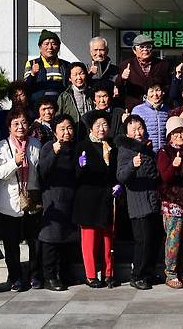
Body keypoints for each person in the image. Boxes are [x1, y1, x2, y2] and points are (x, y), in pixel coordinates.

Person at [0, 108, 42, 291]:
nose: (20, 127)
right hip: (9, 203)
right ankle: (15, 278)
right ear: (9, 127)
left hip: (31, 200)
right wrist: (15, 162)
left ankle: (35, 275)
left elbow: (40, 172)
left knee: (35, 241)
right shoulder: (2, 146)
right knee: (11, 244)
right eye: (16, 123)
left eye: (23, 123)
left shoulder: (36, 144)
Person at [73, 110, 119, 289]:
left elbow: (115, 172)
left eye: (105, 125)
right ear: (91, 128)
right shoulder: (82, 146)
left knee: (108, 238)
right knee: (89, 239)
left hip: (107, 197)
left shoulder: (112, 146)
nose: (101, 129)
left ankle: (109, 273)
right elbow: (76, 175)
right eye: (98, 125)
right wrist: (80, 166)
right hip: (87, 199)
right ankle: (91, 275)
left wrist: (117, 185)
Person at [115, 115, 162, 290]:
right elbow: (121, 176)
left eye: (140, 127)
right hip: (138, 202)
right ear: (127, 132)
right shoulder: (125, 149)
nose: (137, 132)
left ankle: (148, 273)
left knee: (154, 238)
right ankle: (137, 275)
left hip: (152, 200)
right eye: (133, 129)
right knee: (143, 240)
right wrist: (132, 166)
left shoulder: (148, 148)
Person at [37, 114, 79, 291]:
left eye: (69, 128)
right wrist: (53, 153)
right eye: (62, 129)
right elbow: (42, 172)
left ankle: (64, 273)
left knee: (67, 239)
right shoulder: (48, 147)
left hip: (71, 198)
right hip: (53, 198)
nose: (66, 132)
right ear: (55, 132)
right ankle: (50, 277)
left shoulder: (75, 148)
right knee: (52, 239)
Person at [156, 117, 183, 289]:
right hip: (172, 203)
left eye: (182, 131)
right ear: (170, 135)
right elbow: (164, 177)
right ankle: (171, 273)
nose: (180, 135)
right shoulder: (164, 152)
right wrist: (173, 166)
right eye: (176, 133)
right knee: (173, 240)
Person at [116, 34, 170, 111]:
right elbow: (118, 88)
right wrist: (122, 78)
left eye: (148, 47)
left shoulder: (162, 65)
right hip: (134, 107)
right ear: (134, 50)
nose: (145, 50)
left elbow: (167, 86)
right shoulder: (126, 64)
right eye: (141, 47)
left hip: (157, 107)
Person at [24, 29, 70, 103]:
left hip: (62, 105)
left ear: (58, 47)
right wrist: (32, 74)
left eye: (53, 43)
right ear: (40, 47)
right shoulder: (31, 63)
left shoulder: (66, 65)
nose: (50, 47)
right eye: (46, 44)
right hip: (39, 107)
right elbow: (25, 88)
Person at [56, 62, 94, 137]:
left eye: (81, 73)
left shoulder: (92, 93)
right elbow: (58, 118)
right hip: (72, 135)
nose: (79, 77)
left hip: (91, 134)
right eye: (75, 75)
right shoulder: (64, 96)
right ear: (70, 78)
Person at [132, 83, 170, 152]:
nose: (155, 94)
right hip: (146, 152)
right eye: (151, 91)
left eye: (158, 90)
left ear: (163, 92)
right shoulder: (138, 110)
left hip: (163, 154)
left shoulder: (167, 110)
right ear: (146, 93)